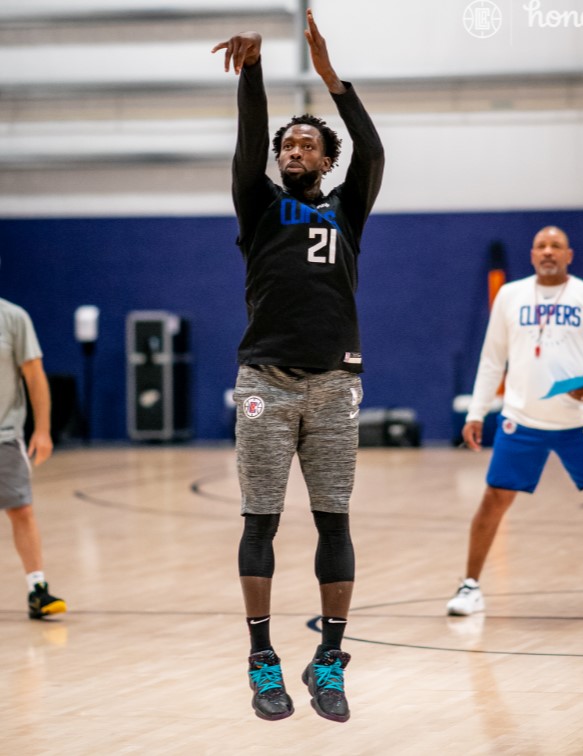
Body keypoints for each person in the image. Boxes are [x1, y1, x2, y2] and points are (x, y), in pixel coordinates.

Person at [212, 9, 384, 722]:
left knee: (333, 522)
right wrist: (252, 72)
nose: (292, 148)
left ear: (325, 161)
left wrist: (331, 77)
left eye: (307, 144)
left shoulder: (347, 210)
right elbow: (248, 142)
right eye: (288, 143)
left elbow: (373, 150)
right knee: (260, 521)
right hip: (264, 382)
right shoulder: (258, 207)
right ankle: (262, 659)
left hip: (336, 385)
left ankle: (329, 660)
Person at [447, 226, 583, 616]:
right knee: (494, 499)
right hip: (522, 419)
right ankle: (470, 587)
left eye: (556, 246)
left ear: (568, 255)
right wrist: (476, 412)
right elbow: (492, 359)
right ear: (532, 255)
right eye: (541, 246)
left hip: (581, 420)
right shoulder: (510, 296)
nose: (548, 251)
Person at [0, 297, 66, 620]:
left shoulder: (13, 318)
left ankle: (37, 589)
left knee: (22, 509)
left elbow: (34, 375)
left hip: (4, 434)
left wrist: (42, 429)